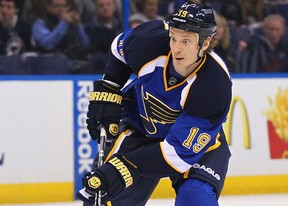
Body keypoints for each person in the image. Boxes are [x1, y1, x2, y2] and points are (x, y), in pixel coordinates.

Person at [77, 2, 232, 206]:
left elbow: (176, 155)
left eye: (186, 41)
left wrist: (125, 167)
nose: (176, 48)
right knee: (104, 197)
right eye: (174, 38)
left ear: (205, 43)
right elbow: (119, 47)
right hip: (141, 130)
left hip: (193, 145)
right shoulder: (149, 41)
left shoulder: (214, 85)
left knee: (195, 198)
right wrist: (110, 87)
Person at [31, 0, 90, 73]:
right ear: (48, 7)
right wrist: (64, 23)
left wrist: (78, 26)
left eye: (64, 6)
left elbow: (86, 45)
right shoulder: (40, 23)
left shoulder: (72, 22)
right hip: (51, 64)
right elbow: (48, 44)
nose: (61, 9)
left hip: (77, 61)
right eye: (57, 6)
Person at [85, 0, 122, 73]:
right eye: (101, 6)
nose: (105, 8)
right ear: (96, 9)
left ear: (114, 7)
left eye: (108, 5)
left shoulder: (121, 27)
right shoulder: (89, 28)